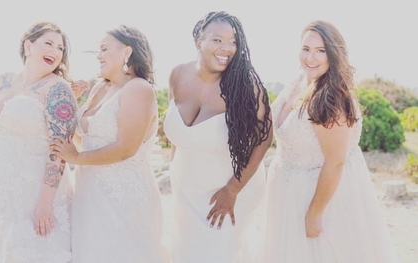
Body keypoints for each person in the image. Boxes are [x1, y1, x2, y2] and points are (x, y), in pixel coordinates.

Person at [259, 20, 399, 262]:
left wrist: (314, 213)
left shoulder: (331, 99)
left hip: (318, 197)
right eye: (306, 49)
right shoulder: (300, 80)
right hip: (286, 191)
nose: (310, 57)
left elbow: (335, 162)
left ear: (333, 54)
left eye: (320, 51)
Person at [0, 21, 77, 263]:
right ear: (28, 46)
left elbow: (59, 150)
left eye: (60, 48)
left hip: (33, 193)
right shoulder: (3, 80)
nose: (55, 51)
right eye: (48, 43)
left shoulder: (58, 89)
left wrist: (45, 203)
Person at [50, 24, 170, 263]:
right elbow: (84, 138)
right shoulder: (100, 88)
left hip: (124, 196)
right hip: (90, 193)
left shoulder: (138, 89)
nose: (99, 55)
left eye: (104, 49)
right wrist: (71, 102)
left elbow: (126, 148)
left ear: (127, 52)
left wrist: (77, 158)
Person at [162, 11, 273, 263]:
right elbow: (177, 135)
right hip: (185, 189)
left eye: (233, 41)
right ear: (198, 41)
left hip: (228, 190)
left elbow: (264, 139)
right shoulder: (177, 74)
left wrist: (232, 190)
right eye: (217, 40)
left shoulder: (245, 85)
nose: (227, 48)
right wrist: (173, 170)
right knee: (187, 253)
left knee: (219, 253)